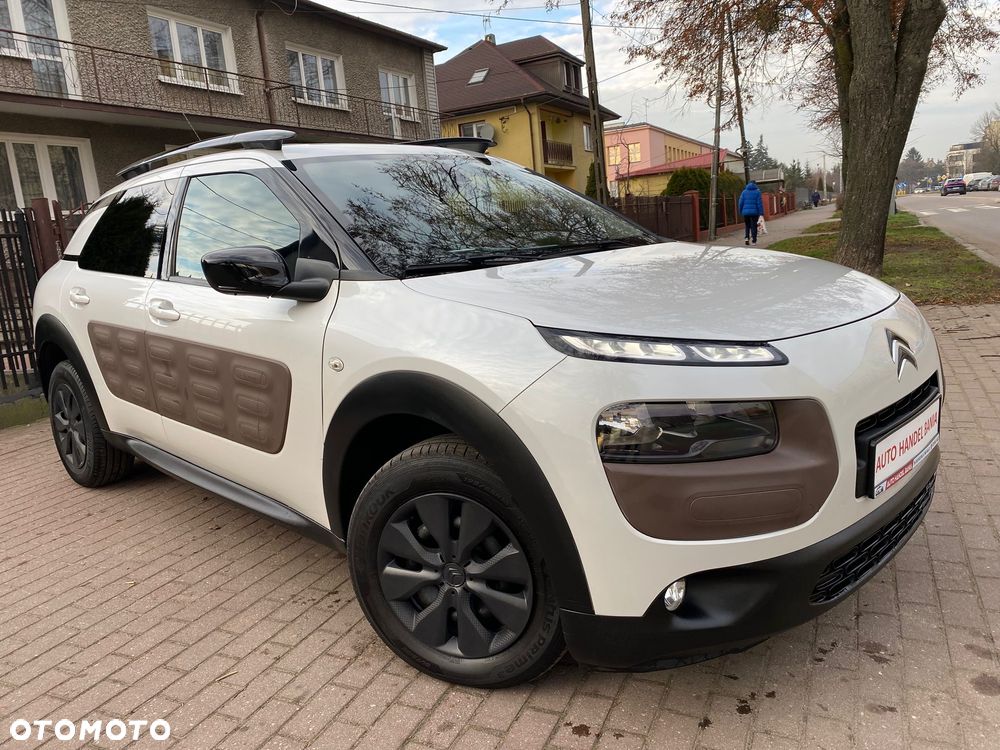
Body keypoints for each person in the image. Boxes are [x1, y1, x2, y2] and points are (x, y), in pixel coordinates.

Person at [738, 180, 764, 245]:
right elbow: (759, 203)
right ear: (755, 184)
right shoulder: (757, 192)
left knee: (747, 225)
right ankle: (754, 241)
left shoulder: (744, 192)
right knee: (754, 226)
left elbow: (740, 203)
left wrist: (740, 211)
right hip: (754, 213)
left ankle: (746, 238)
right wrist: (761, 213)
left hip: (746, 213)